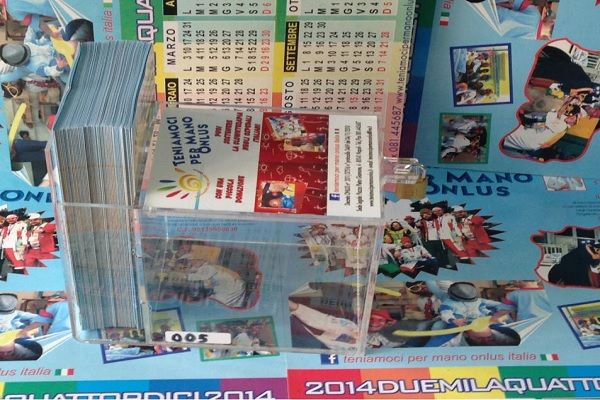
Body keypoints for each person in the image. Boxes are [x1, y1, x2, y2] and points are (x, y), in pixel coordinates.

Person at [502, 96, 580, 156]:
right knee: (510, 133)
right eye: (573, 117)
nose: (572, 117)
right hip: (533, 135)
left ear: (572, 124)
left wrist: (545, 145)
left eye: (573, 119)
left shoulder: (563, 127)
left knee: (509, 134)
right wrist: (570, 99)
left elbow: (559, 114)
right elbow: (560, 112)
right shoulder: (563, 121)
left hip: (534, 139)